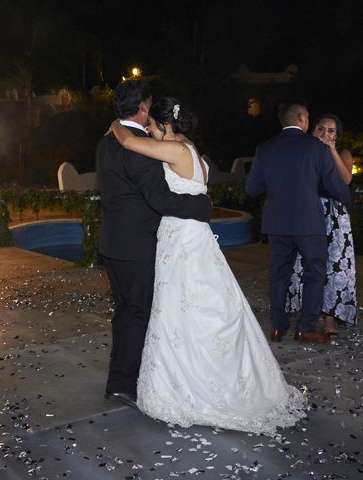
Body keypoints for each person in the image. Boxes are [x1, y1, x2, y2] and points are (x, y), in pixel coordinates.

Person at [110, 97, 306, 435]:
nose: (151, 133)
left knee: (182, 309)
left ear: (165, 125)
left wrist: (115, 124)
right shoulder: (193, 150)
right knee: (196, 305)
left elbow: (128, 141)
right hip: (193, 236)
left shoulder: (173, 149)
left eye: (153, 127)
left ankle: (190, 387)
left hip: (181, 239)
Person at [96, 80, 212, 409]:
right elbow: (161, 200)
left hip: (111, 241)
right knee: (137, 313)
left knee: (125, 312)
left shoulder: (106, 142)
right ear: (144, 108)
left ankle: (119, 378)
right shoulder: (141, 147)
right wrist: (203, 207)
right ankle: (123, 383)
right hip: (137, 247)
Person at [246, 103, 351, 344]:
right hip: (308, 224)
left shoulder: (265, 148)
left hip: (276, 223)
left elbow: (252, 189)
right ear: (303, 119)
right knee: (315, 272)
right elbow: (336, 186)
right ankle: (305, 328)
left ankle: (277, 327)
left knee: (279, 274)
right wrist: (347, 200)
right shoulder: (316, 148)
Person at [286, 114, 357, 333]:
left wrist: (332, 151)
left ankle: (330, 318)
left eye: (331, 130)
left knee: (335, 265)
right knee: (306, 263)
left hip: (335, 217)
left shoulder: (343, 153)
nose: (325, 134)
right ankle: (308, 311)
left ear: (337, 135)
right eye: (321, 129)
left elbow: (346, 179)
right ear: (312, 130)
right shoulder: (305, 151)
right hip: (309, 212)